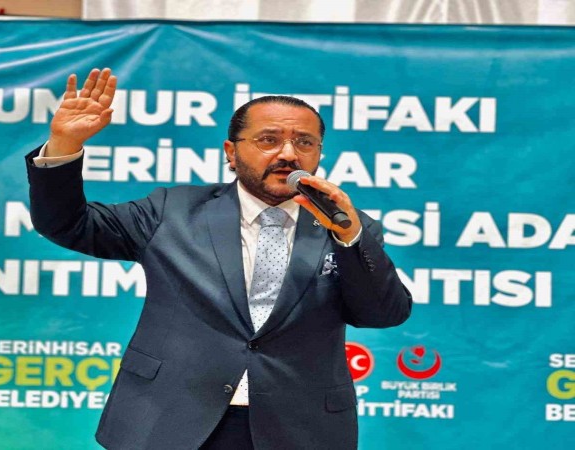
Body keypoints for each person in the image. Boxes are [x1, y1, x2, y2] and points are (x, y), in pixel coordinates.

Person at [25, 68, 412, 450]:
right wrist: (63, 146)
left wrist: (350, 237)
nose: (288, 154)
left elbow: (383, 314)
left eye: (305, 143)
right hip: (169, 418)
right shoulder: (172, 211)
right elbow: (67, 224)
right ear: (231, 152)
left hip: (299, 427)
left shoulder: (348, 227)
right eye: (269, 139)